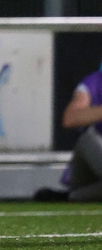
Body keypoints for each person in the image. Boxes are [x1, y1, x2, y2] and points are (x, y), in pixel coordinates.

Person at [34, 64, 102, 202]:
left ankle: (69, 197)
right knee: (88, 136)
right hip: (90, 162)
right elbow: (70, 118)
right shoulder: (94, 82)